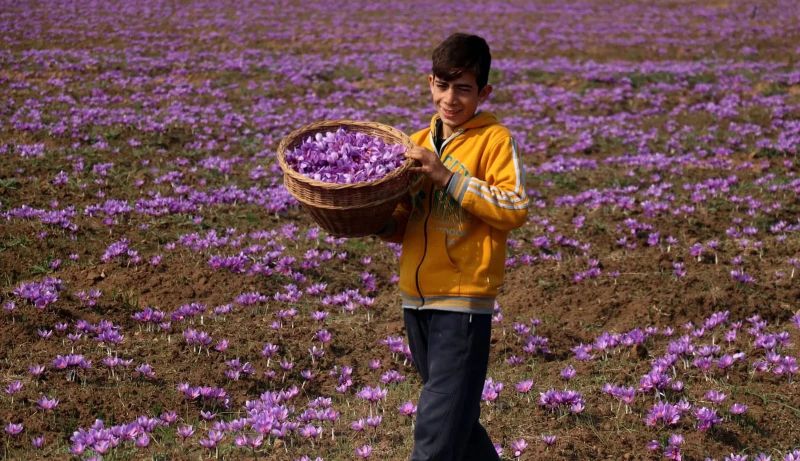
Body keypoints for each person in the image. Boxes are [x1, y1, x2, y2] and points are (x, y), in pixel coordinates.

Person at [377, 32, 529, 461]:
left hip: (462, 302)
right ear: (430, 83)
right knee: (455, 419)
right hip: (416, 299)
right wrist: (377, 222)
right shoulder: (416, 143)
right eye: (443, 86)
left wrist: (447, 177)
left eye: (463, 89)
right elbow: (407, 221)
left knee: (436, 428)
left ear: (484, 92)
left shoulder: (495, 140)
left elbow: (514, 207)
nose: (450, 98)